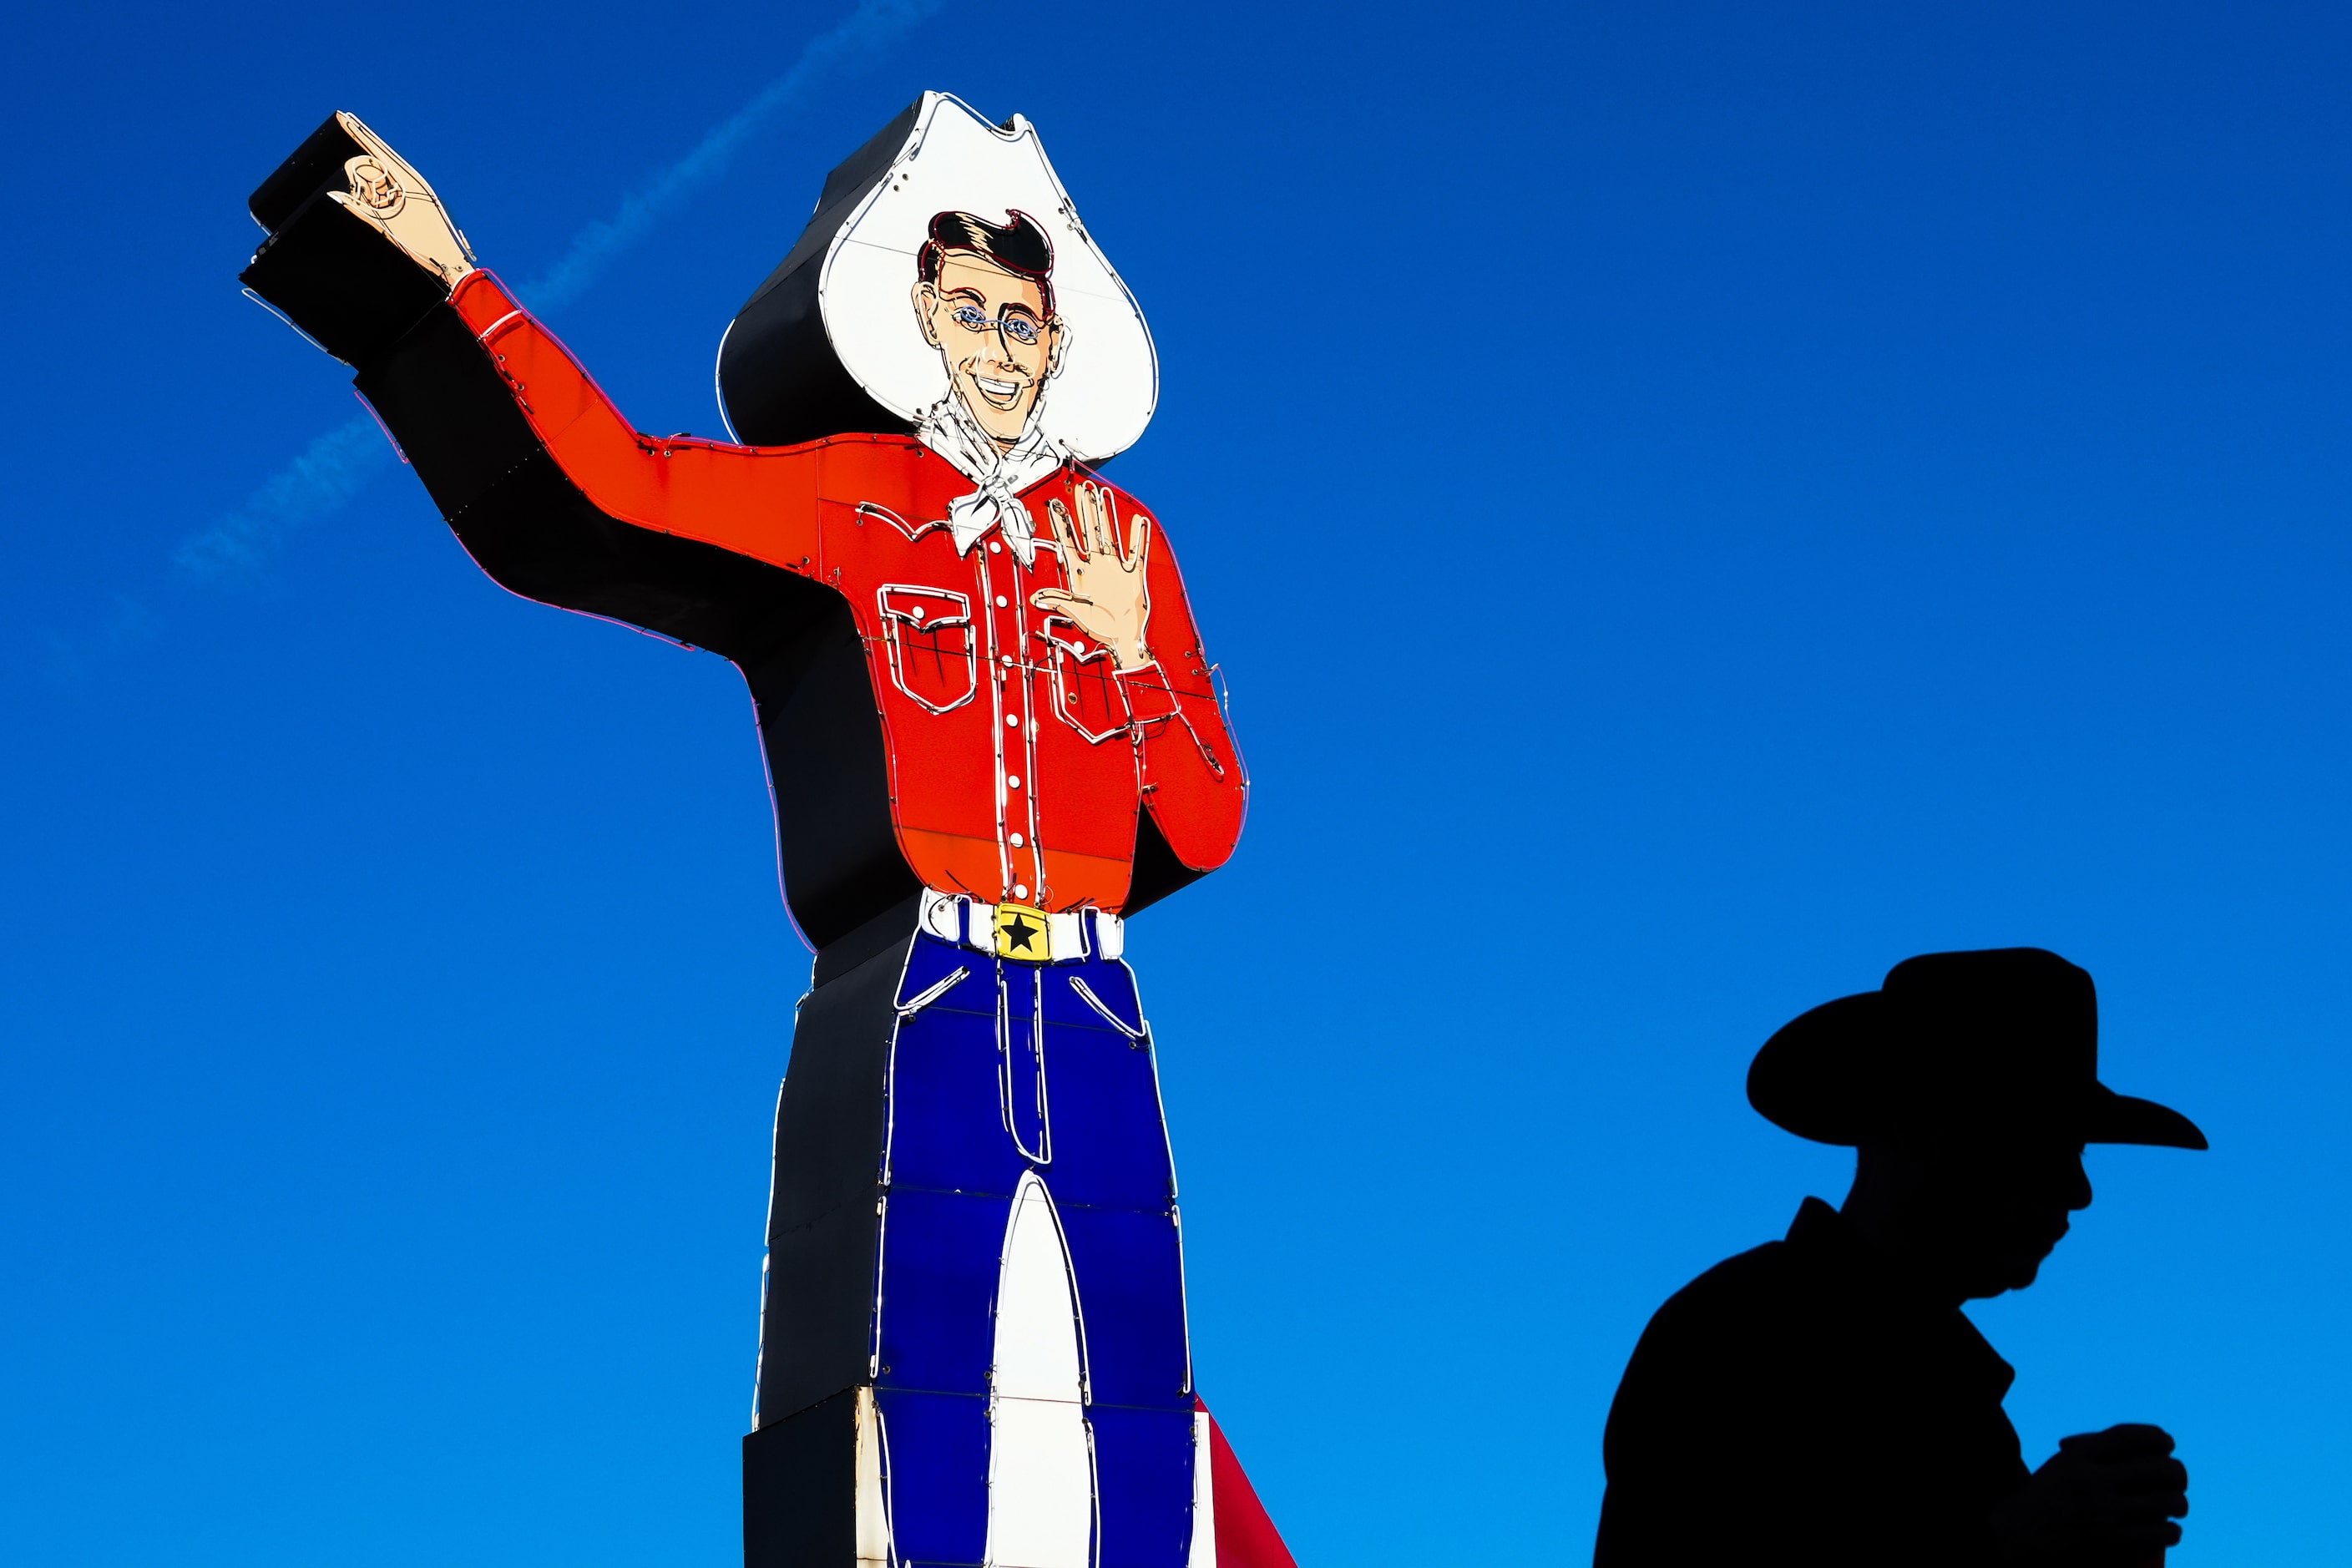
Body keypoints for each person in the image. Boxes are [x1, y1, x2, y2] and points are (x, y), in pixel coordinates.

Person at [235, 99, 1286, 1568]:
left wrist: (1129, 657)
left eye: (1021, 321)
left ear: (1059, 340)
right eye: (966, 312)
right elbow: (611, 486)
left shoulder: (1123, 544)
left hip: (1100, 1006)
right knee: (908, 1394)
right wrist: (448, 284)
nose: (995, 347)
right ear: (912, 317)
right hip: (930, 987)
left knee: (1132, 1390)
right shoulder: (855, 498)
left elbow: (1207, 819)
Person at [1595, 948, 2204, 1565]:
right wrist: (2014, 1541)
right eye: (2037, 1142)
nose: (2078, 1191)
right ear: (1916, 1131)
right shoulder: (1734, 1334)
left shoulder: (1950, 1394)